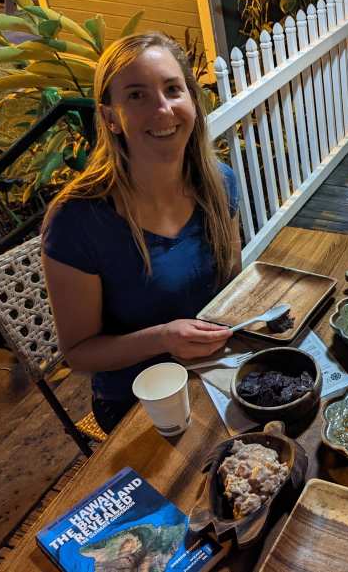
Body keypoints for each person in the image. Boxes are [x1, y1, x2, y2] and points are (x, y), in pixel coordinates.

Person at [42, 32, 241, 434]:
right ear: (110, 117)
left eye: (173, 89)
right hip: (139, 403)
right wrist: (164, 339)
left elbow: (233, 287)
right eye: (137, 96)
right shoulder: (77, 220)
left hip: (217, 370)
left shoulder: (220, 182)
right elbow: (78, 354)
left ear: (193, 101)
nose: (163, 109)